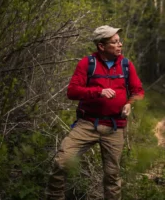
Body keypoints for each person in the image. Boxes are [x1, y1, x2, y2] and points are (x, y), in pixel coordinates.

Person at [47, 25, 144, 200]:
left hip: (115, 127)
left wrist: (130, 103)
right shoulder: (87, 63)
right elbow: (72, 92)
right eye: (115, 42)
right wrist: (98, 91)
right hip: (87, 124)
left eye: (119, 41)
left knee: (112, 176)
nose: (120, 45)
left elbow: (138, 91)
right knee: (61, 162)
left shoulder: (126, 64)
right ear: (101, 46)